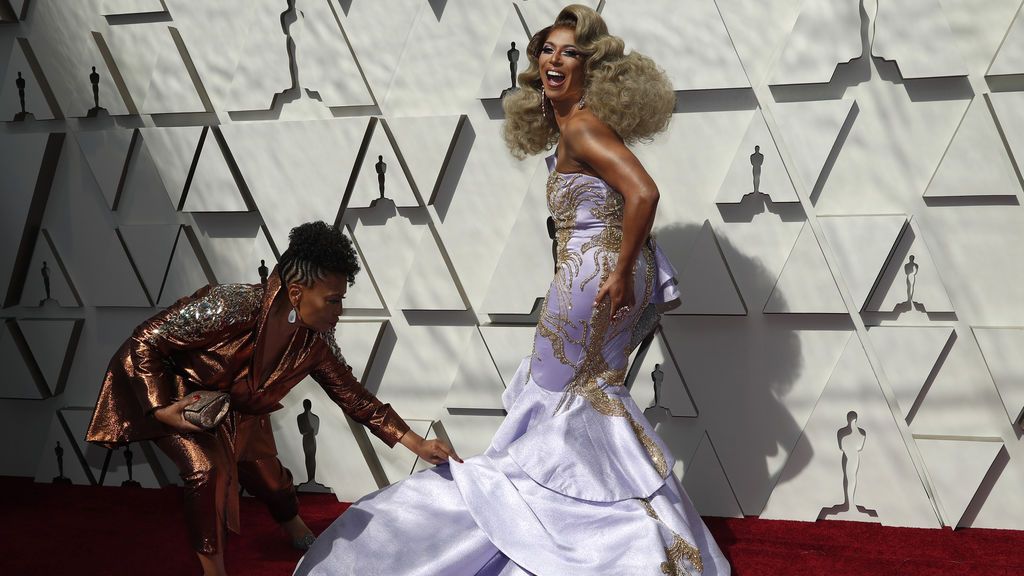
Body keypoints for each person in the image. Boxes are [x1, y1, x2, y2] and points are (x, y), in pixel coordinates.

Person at [295, 5, 730, 575]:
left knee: (557, 403)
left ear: (590, 68)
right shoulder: (584, 125)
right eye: (547, 49)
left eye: (569, 52)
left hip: (590, 284)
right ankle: (633, 537)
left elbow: (643, 193)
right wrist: (627, 270)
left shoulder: (581, 125)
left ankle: (500, 534)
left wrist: (621, 271)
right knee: (588, 400)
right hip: (602, 279)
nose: (554, 60)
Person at [86, 221, 457, 576]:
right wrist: (162, 408)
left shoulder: (316, 342)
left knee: (269, 476)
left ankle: (291, 521)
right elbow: (146, 340)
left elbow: (355, 398)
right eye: (332, 301)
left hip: (243, 410)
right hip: (183, 400)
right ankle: (213, 572)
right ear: (296, 294)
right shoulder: (232, 303)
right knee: (207, 470)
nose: (339, 311)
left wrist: (418, 443)